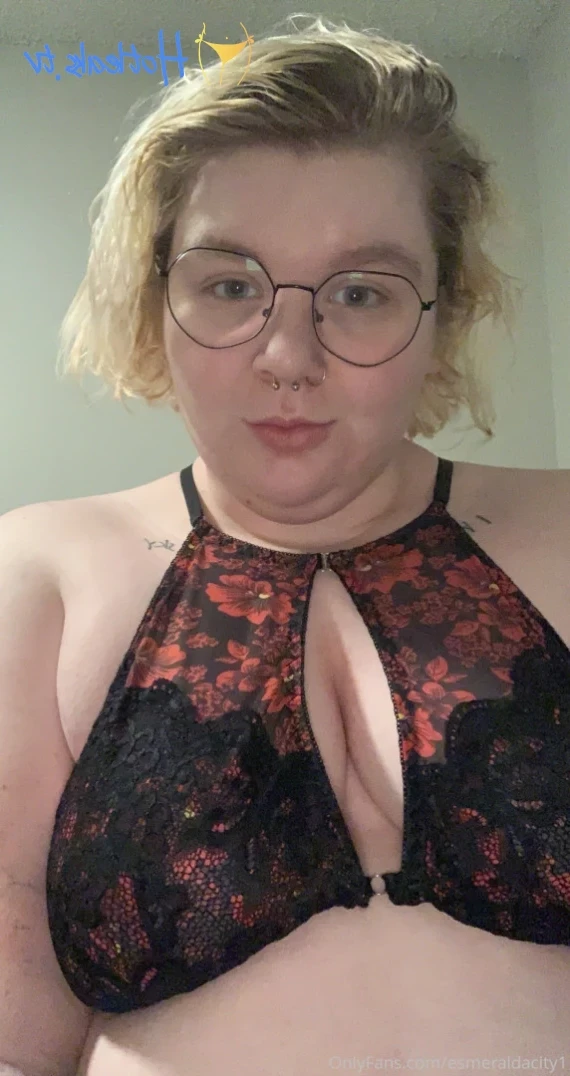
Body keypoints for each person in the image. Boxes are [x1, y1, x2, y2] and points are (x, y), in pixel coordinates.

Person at [1, 12, 569, 1076]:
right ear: (156, 298)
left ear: (442, 311)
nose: (287, 355)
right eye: (229, 284)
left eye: (359, 293)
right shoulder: (35, 575)